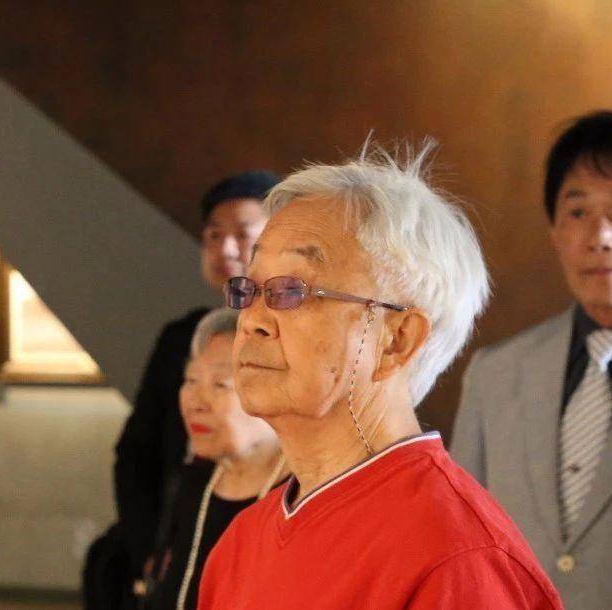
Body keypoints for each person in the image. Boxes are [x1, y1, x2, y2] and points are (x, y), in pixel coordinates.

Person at [197, 145, 562, 609]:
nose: (252, 321)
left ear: (397, 340)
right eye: (249, 288)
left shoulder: (459, 558)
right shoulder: (240, 543)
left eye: (291, 290)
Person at [452, 110, 612, 608]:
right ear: (554, 232)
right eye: (578, 212)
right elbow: (462, 543)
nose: (600, 236)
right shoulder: (494, 374)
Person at [112, 170, 280, 583]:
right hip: (183, 522)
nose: (225, 248)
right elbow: (138, 451)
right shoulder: (180, 337)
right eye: (213, 235)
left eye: (243, 234)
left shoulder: (288, 339)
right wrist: (150, 549)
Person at [137, 308, 285, 610]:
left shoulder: (299, 497)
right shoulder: (193, 483)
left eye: (220, 384)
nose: (196, 402)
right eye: (191, 380)